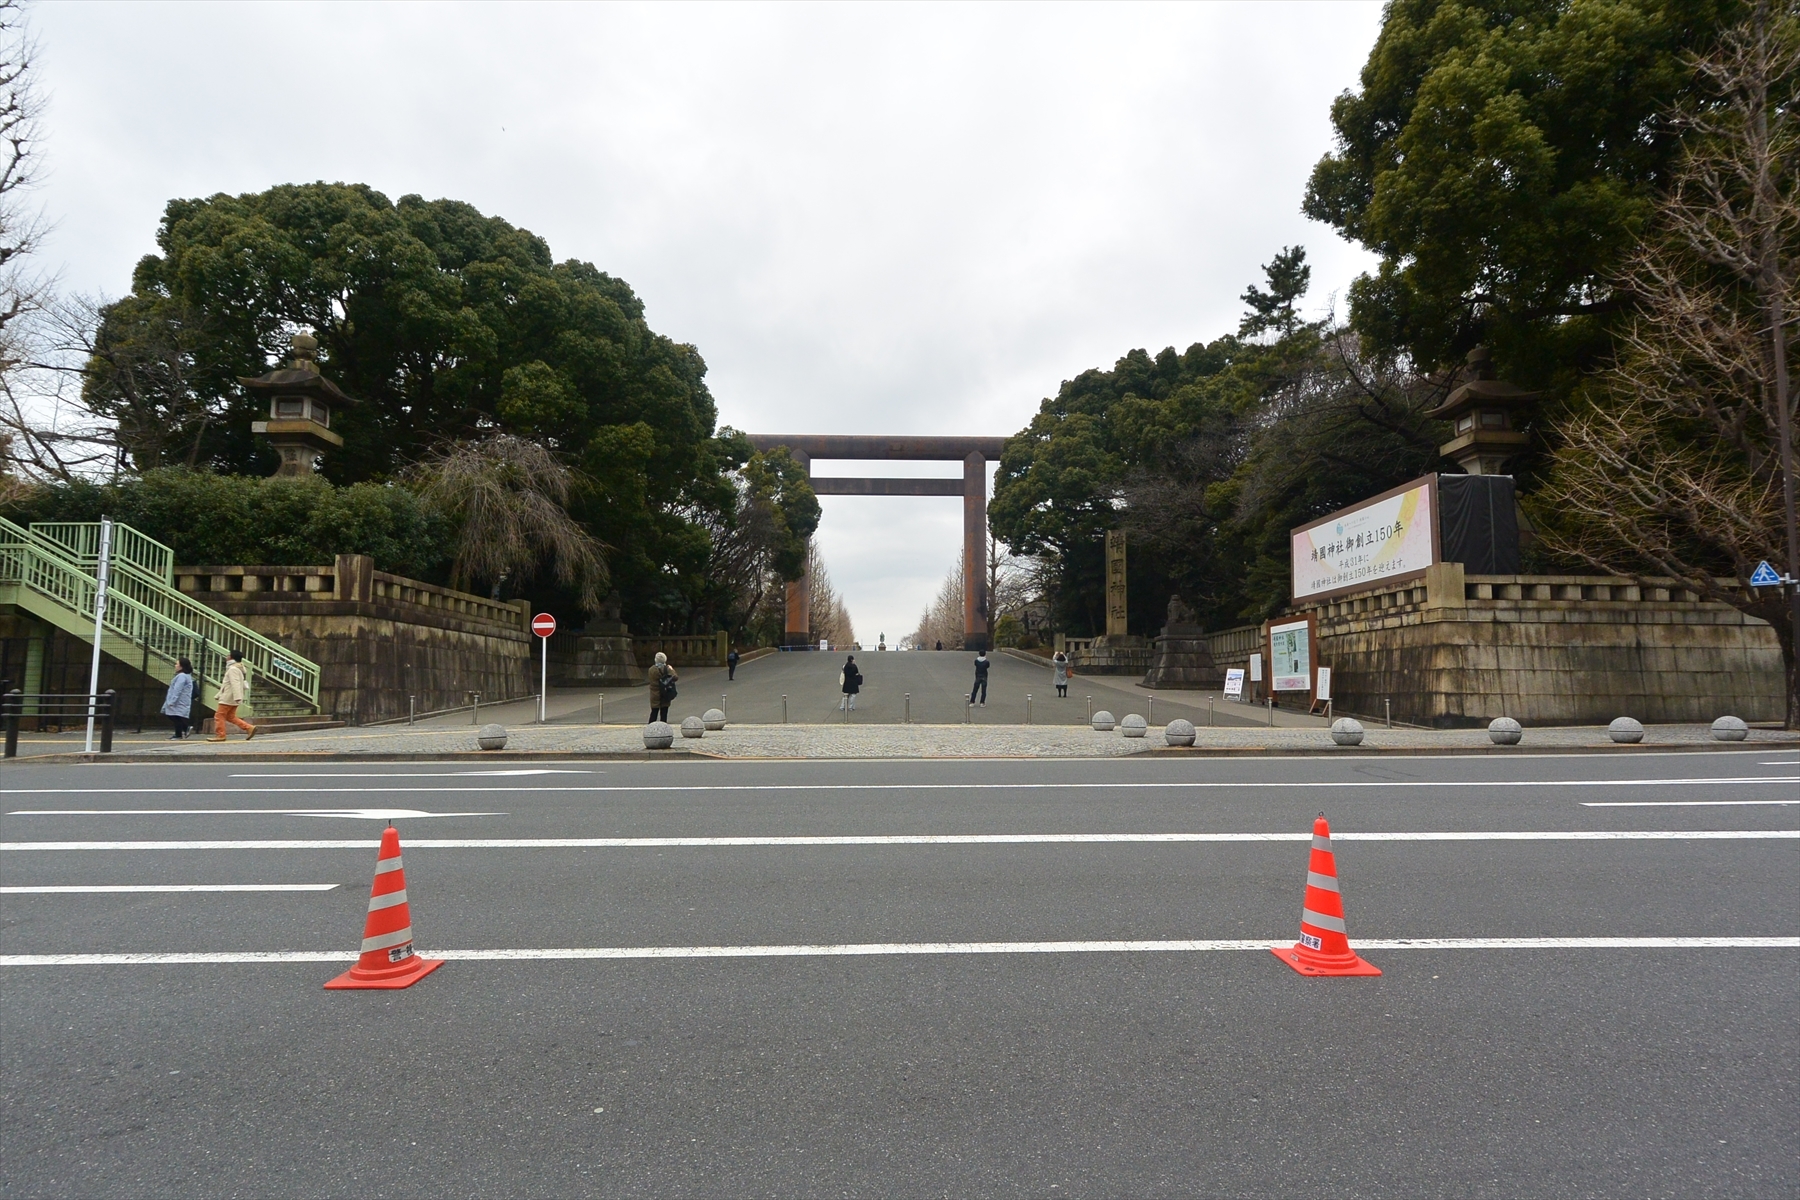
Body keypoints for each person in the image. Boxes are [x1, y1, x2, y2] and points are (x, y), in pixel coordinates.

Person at [208, 649, 257, 742]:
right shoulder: (239, 668)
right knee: (230, 716)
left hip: (229, 697)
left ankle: (220, 735)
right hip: (233, 697)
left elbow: (235, 683)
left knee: (219, 716)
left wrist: (237, 696)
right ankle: (249, 728)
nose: (227, 657)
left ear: (231, 657)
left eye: (228, 655)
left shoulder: (232, 669)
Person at [160, 657, 195, 739]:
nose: (175, 666)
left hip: (178, 701)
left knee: (174, 716)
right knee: (177, 716)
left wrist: (172, 701)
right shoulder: (186, 676)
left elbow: (177, 689)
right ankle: (181, 731)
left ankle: (183, 730)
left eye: (177, 664)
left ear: (181, 666)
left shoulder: (181, 676)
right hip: (182, 700)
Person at [647, 651, 677, 723]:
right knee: (664, 713)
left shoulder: (651, 669)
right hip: (665, 692)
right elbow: (675, 677)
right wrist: (672, 669)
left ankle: (651, 726)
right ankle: (663, 726)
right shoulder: (667, 669)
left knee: (654, 712)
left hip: (654, 693)